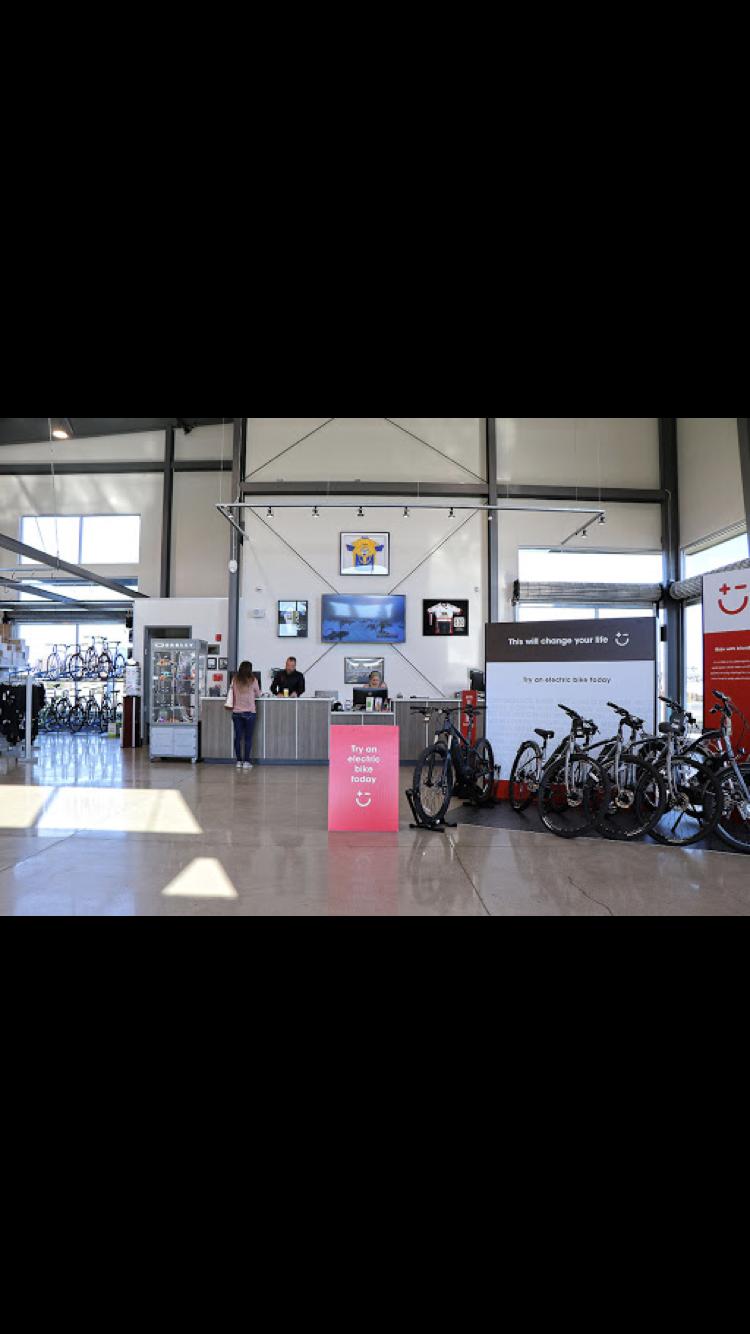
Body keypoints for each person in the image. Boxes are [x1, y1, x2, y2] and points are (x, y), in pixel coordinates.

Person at [230, 661, 261, 772]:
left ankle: (238, 761)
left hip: (237, 713)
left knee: (238, 738)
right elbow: (258, 694)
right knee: (248, 738)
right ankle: (246, 762)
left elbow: (232, 694)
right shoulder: (253, 680)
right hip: (249, 713)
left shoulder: (234, 679)